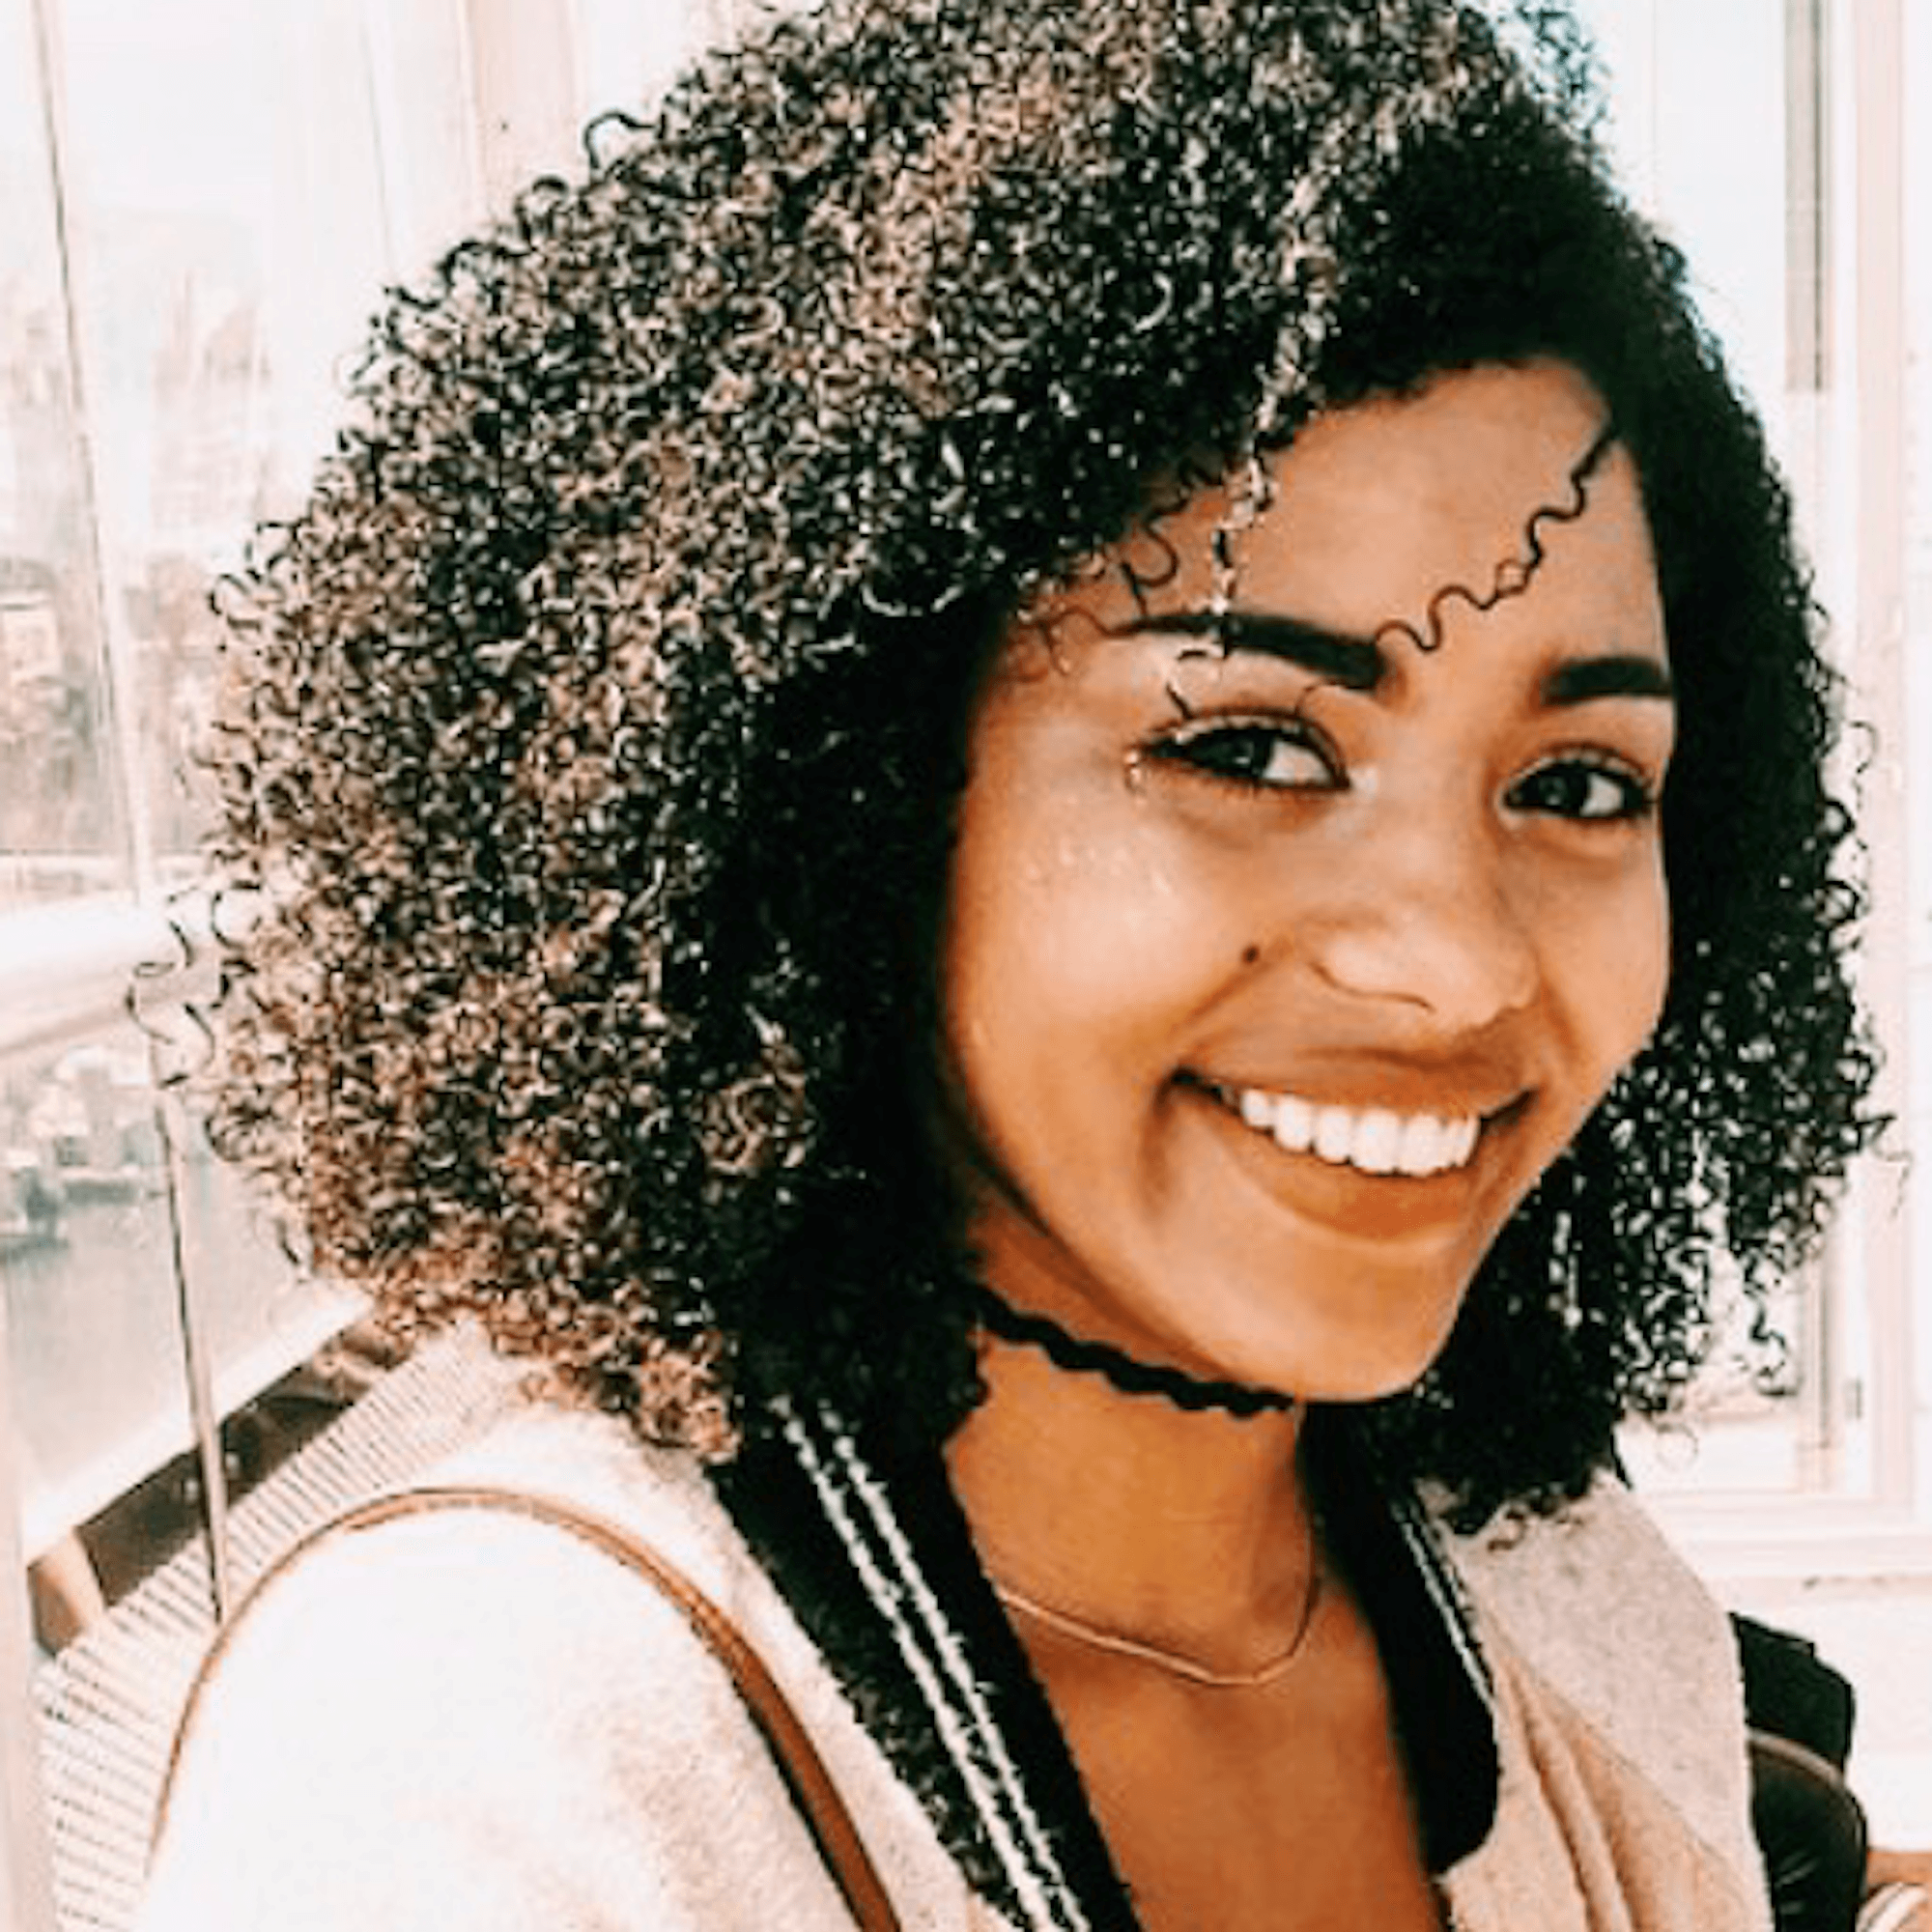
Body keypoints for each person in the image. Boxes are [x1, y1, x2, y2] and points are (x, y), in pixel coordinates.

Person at [137, 0, 1892, 1926]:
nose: (1460, 966)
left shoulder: (1564, 1596)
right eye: (1249, 748)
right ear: (841, 800)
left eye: (1576, 785)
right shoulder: (477, 1764)